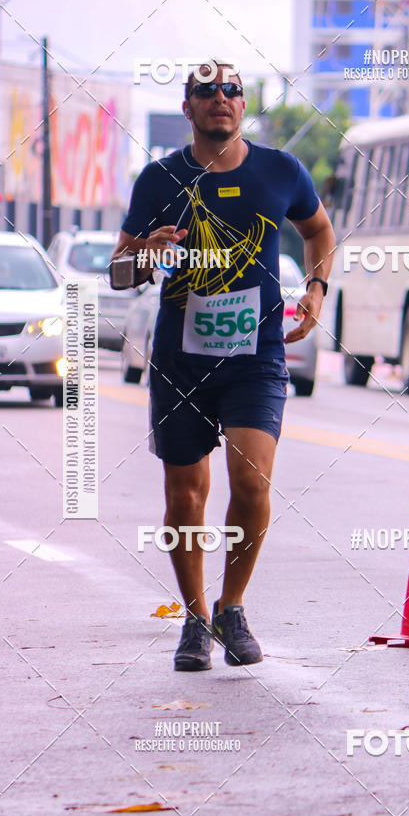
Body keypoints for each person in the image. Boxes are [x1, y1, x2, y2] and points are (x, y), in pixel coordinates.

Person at [112, 60, 336, 672]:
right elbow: (120, 271)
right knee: (186, 496)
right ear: (188, 108)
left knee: (252, 483)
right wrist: (146, 255)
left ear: (243, 106)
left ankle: (231, 606)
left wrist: (316, 289)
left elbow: (319, 231)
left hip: (255, 356)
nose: (220, 99)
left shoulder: (279, 171)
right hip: (181, 358)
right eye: (206, 91)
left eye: (231, 90)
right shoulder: (159, 179)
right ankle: (195, 618)